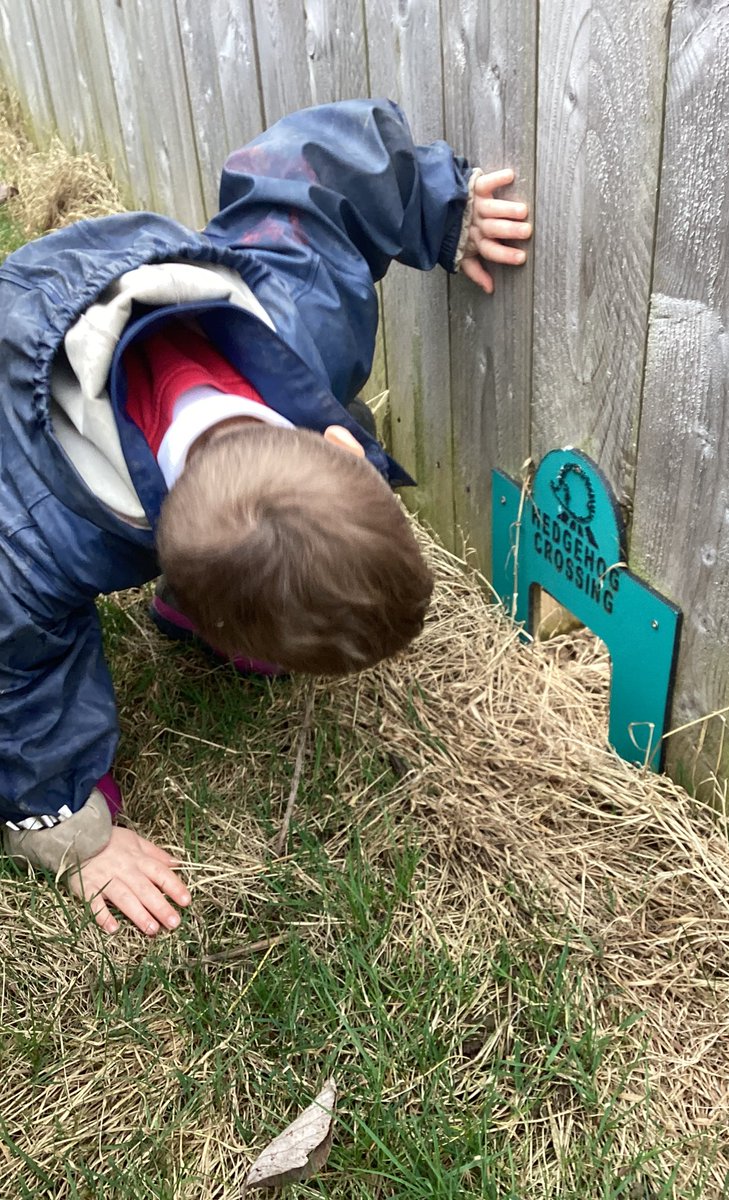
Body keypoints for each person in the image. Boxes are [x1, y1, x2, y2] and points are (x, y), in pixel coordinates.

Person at [0, 99, 532, 937]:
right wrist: (76, 834)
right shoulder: (33, 537)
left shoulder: (306, 305)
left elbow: (319, 168)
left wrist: (446, 206)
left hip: (135, 290)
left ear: (340, 445)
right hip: (26, 355)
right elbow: (20, 675)